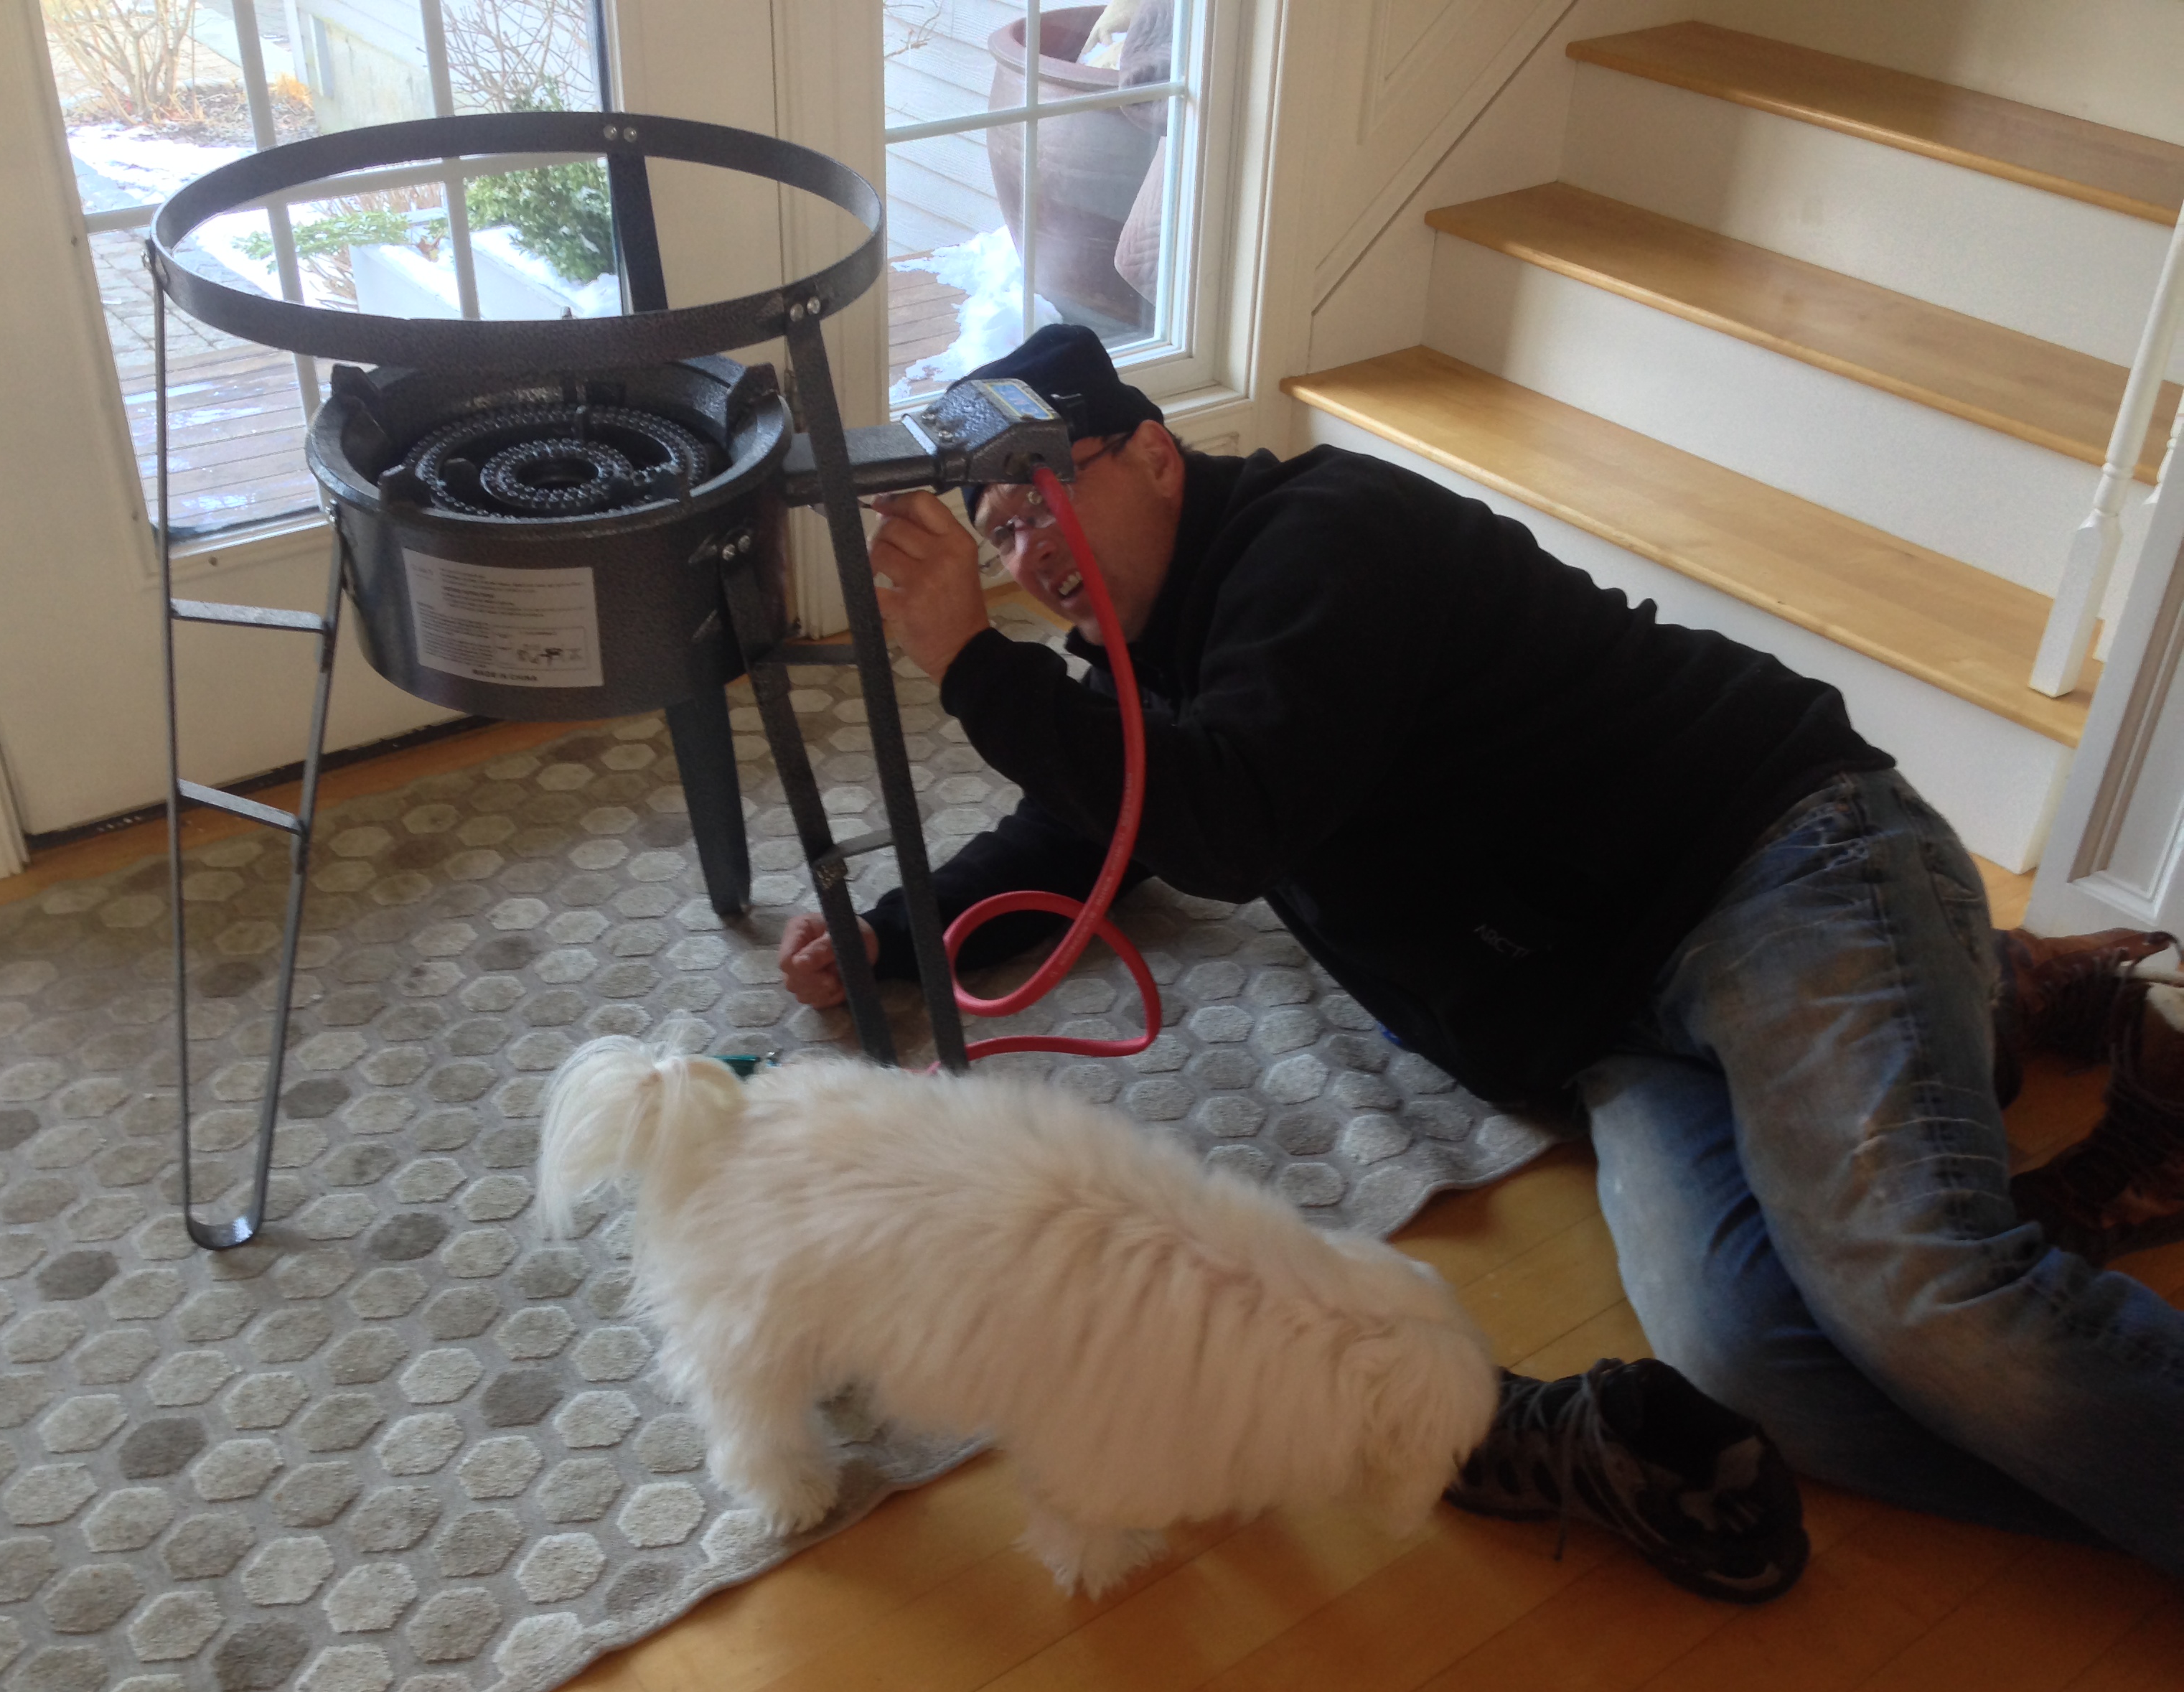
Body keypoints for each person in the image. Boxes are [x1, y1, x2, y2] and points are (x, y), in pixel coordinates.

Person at [776, 324, 2184, 1591]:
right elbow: (1101, 821)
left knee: (1916, 1293)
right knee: (1759, 1360)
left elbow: (1229, 825)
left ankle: (1961, 1036)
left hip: (1772, 863)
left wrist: (977, 668)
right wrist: (893, 928)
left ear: (1153, 452)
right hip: (1608, 1022)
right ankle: (1980, 1016)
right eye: (1001, 530)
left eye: (1043, 495)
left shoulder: (1324, 537)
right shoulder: (1146, 660)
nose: (1027, 551)